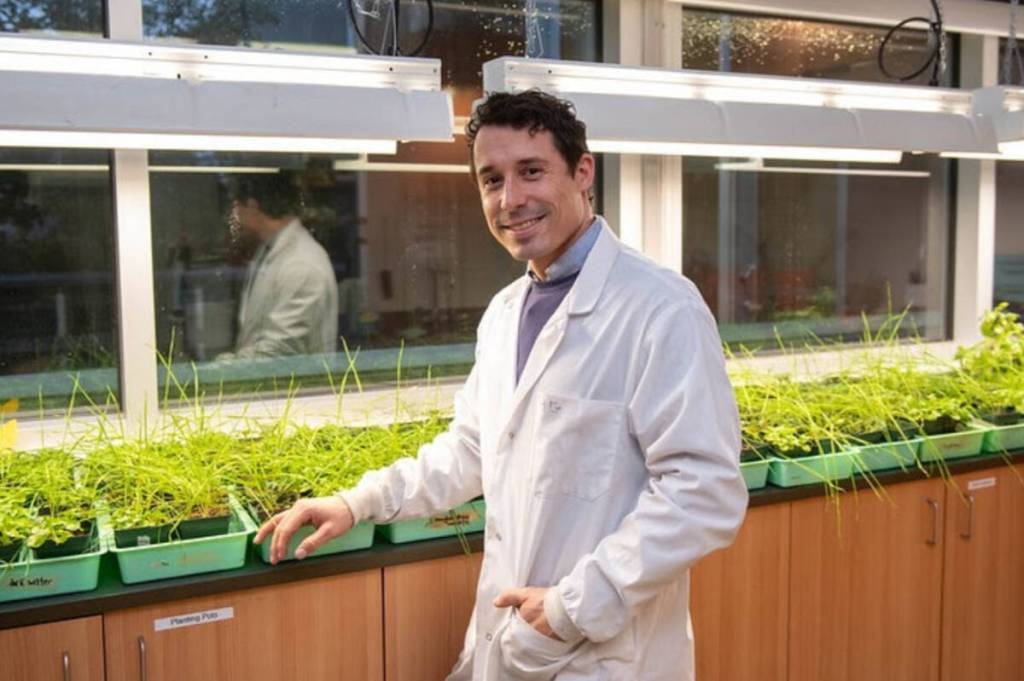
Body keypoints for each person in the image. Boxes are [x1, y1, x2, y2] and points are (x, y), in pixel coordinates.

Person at [255, 90, 748, 681]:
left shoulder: (660, 307)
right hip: (516, 637)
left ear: (583, 172)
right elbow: (471, 449)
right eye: (492, 179)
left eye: (531, 171)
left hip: (601, 651)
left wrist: (568, 609)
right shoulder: (505, 312)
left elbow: (704, 492)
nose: (510, 199)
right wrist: (357, 502)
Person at [218, 172, 338, 360]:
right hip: (264, 376)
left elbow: (280, 351)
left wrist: (221, 368)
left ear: (252, 207)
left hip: (288, 379)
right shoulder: (269, 251)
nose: (235, 219)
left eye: (237, 210)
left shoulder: (302, 265)